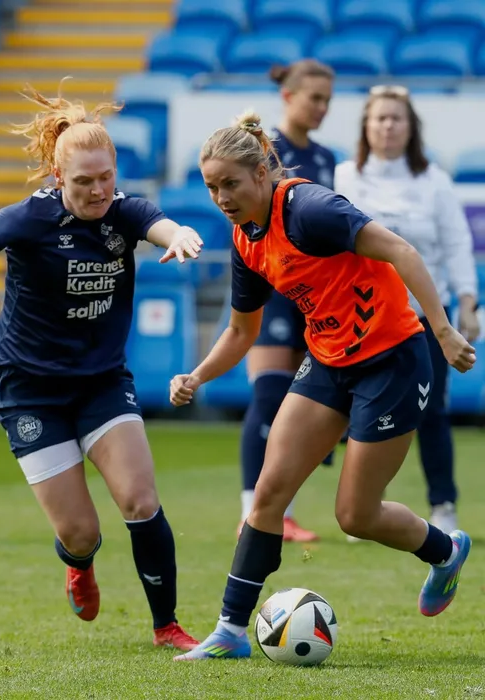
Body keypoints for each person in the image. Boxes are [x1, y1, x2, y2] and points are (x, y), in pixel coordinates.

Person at [169, 110, 474, 661]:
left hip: (393, 362)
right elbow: (241, 332)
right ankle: (230, 632)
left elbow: (402, 251)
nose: (221, 197)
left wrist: (444, 330)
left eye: (230, 184)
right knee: (267, 495)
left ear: (262, 172)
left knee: (355, 515)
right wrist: (198, 374)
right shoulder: (245, 239)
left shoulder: (311, 209)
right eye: (211, 187)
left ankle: (445, 551)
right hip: (329, 362)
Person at [0, 84, 202, 651]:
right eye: (83, 181)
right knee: (80, 532)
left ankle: (167, 626)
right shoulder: (27, 219)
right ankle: (79, 564)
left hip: (101, 383)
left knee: (140, 500)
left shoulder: (125, 212)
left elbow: (161, 225)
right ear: (58, 177)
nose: (98, 190)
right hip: (30, 391)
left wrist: (180, 235)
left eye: (106, 177)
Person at [334, 85, 479, 537]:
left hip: (424, 319)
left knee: (431, 411)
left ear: (411, 127)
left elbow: (457, 245)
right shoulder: (344, 177)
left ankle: (443, 505)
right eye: (379, 118)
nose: (388, 126)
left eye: (396, 118)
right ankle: (363, 506)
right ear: (366, 126)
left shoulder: (435, 182)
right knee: (359, 411)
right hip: (361, 320)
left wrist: (468, 301)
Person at [238, 59, 337, 544]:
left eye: (327, 100)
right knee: (269, 396)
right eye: (314, 98)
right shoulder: (264, 150)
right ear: (288, 96)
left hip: (315, 296)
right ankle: (250, 512)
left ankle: (284, 513)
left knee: (302, 407)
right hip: (274, 285)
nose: (321, 108)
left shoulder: (326, 158)